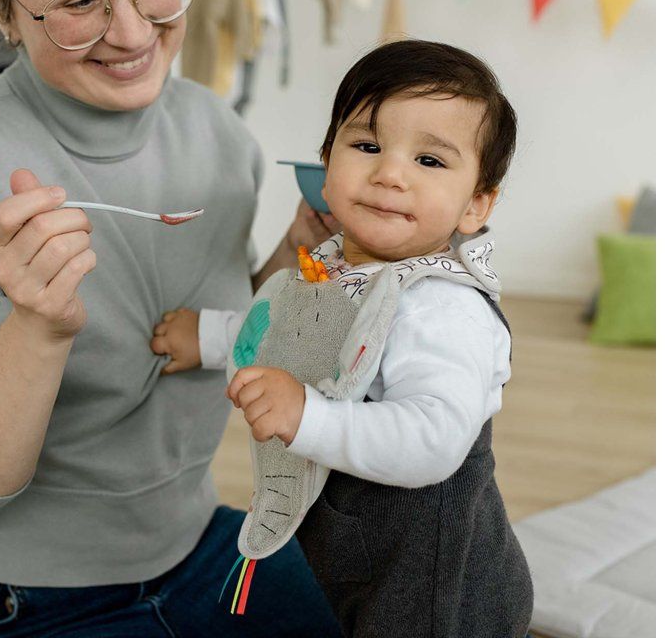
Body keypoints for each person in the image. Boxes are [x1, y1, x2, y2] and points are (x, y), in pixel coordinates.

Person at [0, 0, 343, 635]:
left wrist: (298, 255)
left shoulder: (218, 134)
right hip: (11, 596)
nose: (132, 34)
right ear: (0, 7)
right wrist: (37, 330)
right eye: (79, 1)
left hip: (196, 544)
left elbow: (228, 334)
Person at [151, 40, 534, 637]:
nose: (390, 174)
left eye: (429, 161)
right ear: (326, 168)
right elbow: (290, 328)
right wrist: (206, 336)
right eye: (367, 147)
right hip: (354, 551)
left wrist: (307, 416)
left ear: (476, 205)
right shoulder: (332, 266)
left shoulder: (441, 307)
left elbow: (434, 438)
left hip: (432, 588)